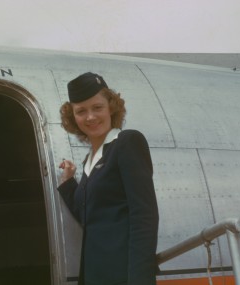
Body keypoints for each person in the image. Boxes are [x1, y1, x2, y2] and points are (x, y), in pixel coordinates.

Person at [58, 72, 159, 285]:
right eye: (81, 111)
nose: (90, 117)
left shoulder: (127, 142)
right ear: (73, 118)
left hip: (122, 274)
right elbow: (88, 215)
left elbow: (144, 216)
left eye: (97, 107)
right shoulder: (89, 160)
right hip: (95, 273)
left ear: (111, 107)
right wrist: (68, 184)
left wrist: (140, 280)